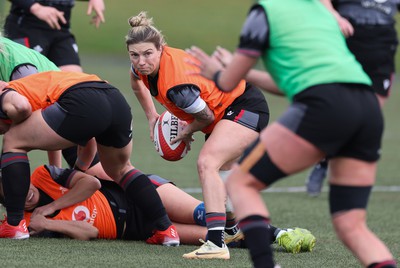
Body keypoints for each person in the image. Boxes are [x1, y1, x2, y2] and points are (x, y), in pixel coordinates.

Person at [186, 0, 397, 267]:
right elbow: (290, 83)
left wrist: (217, 71)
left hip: (325, 105)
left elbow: (227, 82)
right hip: (366, 107)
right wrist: (245, 73)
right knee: (350, 223)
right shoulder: (321, 11)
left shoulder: (265, 12)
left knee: (240, 183)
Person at [125, 11, 270, 259]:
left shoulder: (177, 87)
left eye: (148, 54)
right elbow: (136, 81)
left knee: (207, 163)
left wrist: (185, 132)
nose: (141, 61)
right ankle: (234, 230)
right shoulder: (143, 66)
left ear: (161, 48)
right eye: (135, 55)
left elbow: (206, 117)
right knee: (223, 170)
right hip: (227, 109)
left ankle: (216, 243)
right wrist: (152, 117)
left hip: (244, 105)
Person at [0, 70, 180, 246]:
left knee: (13, 141)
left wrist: (17, 122)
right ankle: (165, 230)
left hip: (81, 98)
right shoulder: (40, 87)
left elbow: (21, 106)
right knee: (120, 169)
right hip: (113, 98)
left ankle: (14, 225)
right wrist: (77, 173)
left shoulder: (6, 93)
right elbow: (88, 144)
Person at [0, 164, 316, 253]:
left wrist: (53, 207)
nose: (21, 192)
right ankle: (283, 235)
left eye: (17, 183)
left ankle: (239, 200)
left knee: (207, 215)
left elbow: (91, 184)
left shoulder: (45, 175)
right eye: (10, 194)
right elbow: (91, 231)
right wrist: (50, 222)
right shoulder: (27, 222)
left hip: (142, 195)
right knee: (214, 237)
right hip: (140, 230)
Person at [306, 0, 400, 197]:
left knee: (369, 117)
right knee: (339, 111)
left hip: (382, 45)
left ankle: (350, 175)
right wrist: (335, 16)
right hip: (346, 39)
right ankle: (323, 162)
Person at [3, 0, 105, 72]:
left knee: (74, 84)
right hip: (26, 26)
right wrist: (36, 8)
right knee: (29, 86)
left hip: (60, 27)